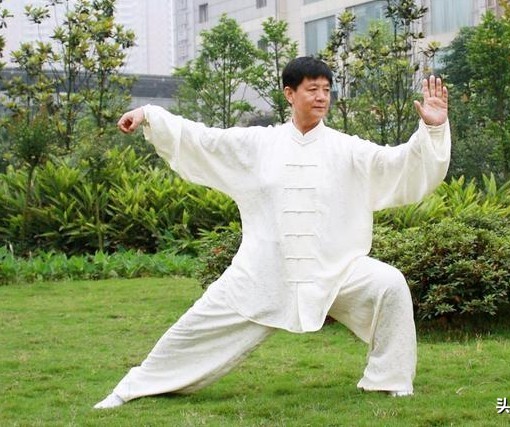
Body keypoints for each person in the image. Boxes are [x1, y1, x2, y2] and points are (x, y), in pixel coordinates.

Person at [94, 56, 450, 409]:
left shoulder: (348, 149)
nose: (321, 97)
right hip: (263, 272)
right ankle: (134, 387)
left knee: (388, 284)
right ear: (289, 94)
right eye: (312, 89)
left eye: (326, 90)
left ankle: (390, 379)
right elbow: (203, 140)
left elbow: (398, 164)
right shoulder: (258, 145)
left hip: (335, 270)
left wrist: (432, 129)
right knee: (194, 330)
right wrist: (149, 115)